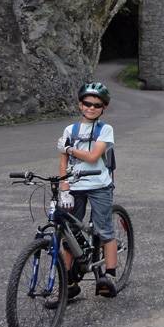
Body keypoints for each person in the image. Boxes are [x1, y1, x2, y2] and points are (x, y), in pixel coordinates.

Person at [54, 82, 118, 302]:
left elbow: (92, 157)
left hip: (99, 185)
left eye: (96, 105)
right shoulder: (69, 130)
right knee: (69, 233)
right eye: (87, 103)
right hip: (74, 186)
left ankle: (109, 276)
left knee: (104, 230)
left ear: (103, 108)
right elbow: (63, 162)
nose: (91, 108)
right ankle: (67, 284)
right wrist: (64, 188)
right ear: (80, 105)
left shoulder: (105, 129)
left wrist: (69, 148)